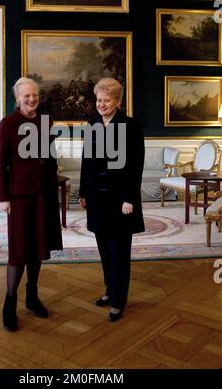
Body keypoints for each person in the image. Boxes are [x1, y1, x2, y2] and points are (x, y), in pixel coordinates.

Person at [0, 77, 62, 331]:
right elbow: (1, 164)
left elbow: (51, 156)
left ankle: (32, 297)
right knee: (19, 250)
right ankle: (9, 302)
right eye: (27, 96)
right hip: (20, 196)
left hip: (43, 194)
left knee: (38, 246)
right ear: (17, 98)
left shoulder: (46, 121)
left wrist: (54, 180)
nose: (32, 99)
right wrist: (3, 197)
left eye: (35, 95)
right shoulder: (8, 124)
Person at [79, 78, 145, 322]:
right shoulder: (92, 124)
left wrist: (130, 198)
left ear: (118, 101)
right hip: (97, 199)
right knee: (104, 250)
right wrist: (83, 192)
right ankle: (109, 290)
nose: (102, 104)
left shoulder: (131, 127)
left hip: (120, 201)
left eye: (107, 100)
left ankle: (119, 299)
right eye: (99, 100)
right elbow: (87, 161)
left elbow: (135, 166)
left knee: (119, 252)